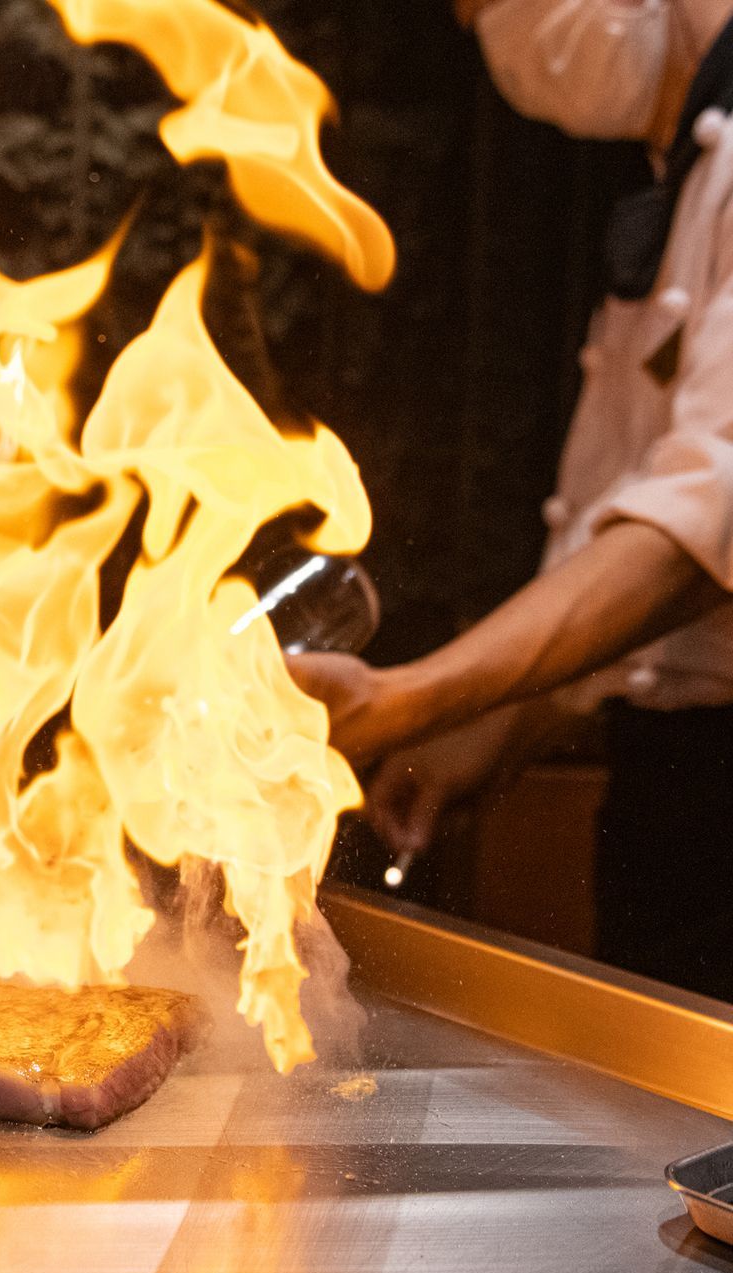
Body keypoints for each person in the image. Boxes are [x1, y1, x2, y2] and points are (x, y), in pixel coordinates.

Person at [289, 0, 733, 998]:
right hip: (668, 781)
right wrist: (505, 719)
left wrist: (412, 695)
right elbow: (637, 520)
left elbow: (702, 521)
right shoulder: (690, 167)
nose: (492, 24)